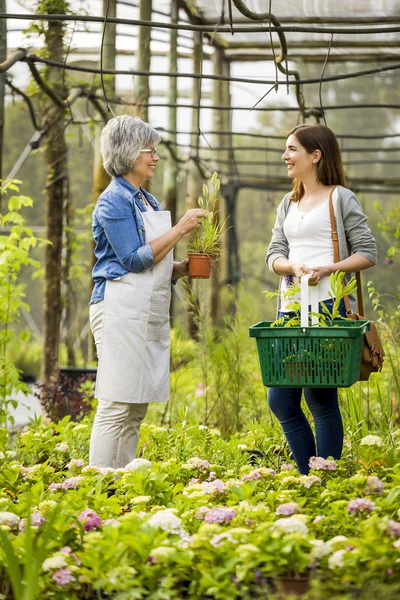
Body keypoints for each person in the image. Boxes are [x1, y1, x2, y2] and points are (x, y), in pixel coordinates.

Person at [89, 115, 208, 469]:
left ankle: (123, 481)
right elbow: (132, 259)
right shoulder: (113, 201)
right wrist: (183, 226)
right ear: (128, 153)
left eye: (155, 150)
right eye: (149, 150)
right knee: (115, 402)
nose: (155, 157)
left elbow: (153, 263)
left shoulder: (146, 200)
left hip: (142, 306)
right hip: (118, 307)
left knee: (136, 404)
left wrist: (181, 269)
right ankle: (98, 483)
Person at [265, 123, 377, 474]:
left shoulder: (340, 197)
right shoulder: (289, 201)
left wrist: (328, 268)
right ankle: (308, 475)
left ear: (315, 155)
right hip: (291, 308)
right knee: (281, 399)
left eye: (292, 149)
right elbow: (273, 254)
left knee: (320, 397)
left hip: (328, 308)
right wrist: (291, 266)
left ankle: (323, 480)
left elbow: (368, 252)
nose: (285, 156)